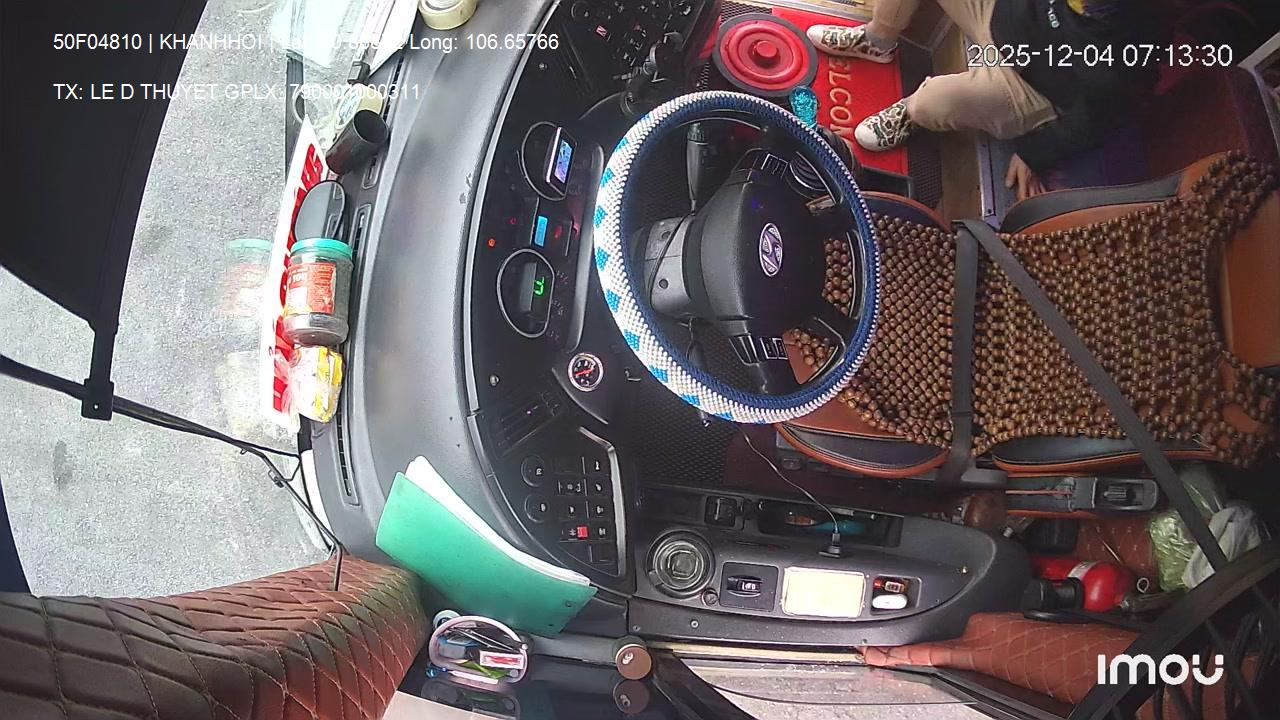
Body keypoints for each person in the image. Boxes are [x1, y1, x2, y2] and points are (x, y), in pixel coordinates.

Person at [808, 0, 1165, 199]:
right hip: (1000, 15)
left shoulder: (1127, 57)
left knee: (930, 104)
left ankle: (913, 114)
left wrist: (1035, 153)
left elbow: (1097, 120)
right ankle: (878, 39)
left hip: (1030, 84)